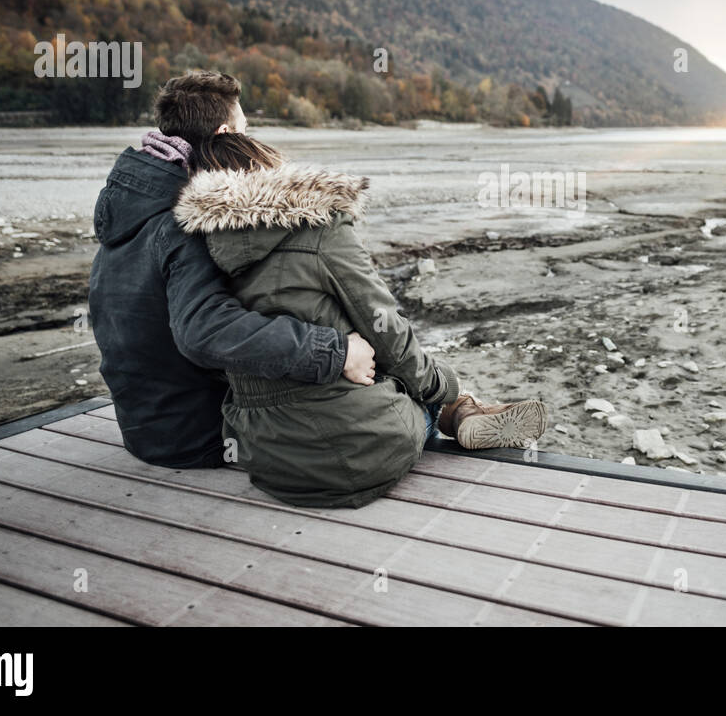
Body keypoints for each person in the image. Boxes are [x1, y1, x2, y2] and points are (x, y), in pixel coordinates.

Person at [172, 131, 550, 508]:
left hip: (266, 458)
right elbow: (388, 333)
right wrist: (442, 384)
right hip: (361, 448)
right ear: (270, 171)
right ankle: (458, 408)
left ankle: (459, 407)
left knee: (357, 367)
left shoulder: (198, 254)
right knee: (412, 382)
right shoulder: (319, 227)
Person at [88, 71, 377, 469]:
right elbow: (204, 331)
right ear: (226, 132)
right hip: (201, 435)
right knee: (360, 391)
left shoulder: (132, 204)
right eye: (245, 128)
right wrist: (335, 351)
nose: (248, 137)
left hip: (145, 428)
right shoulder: (182, 217)